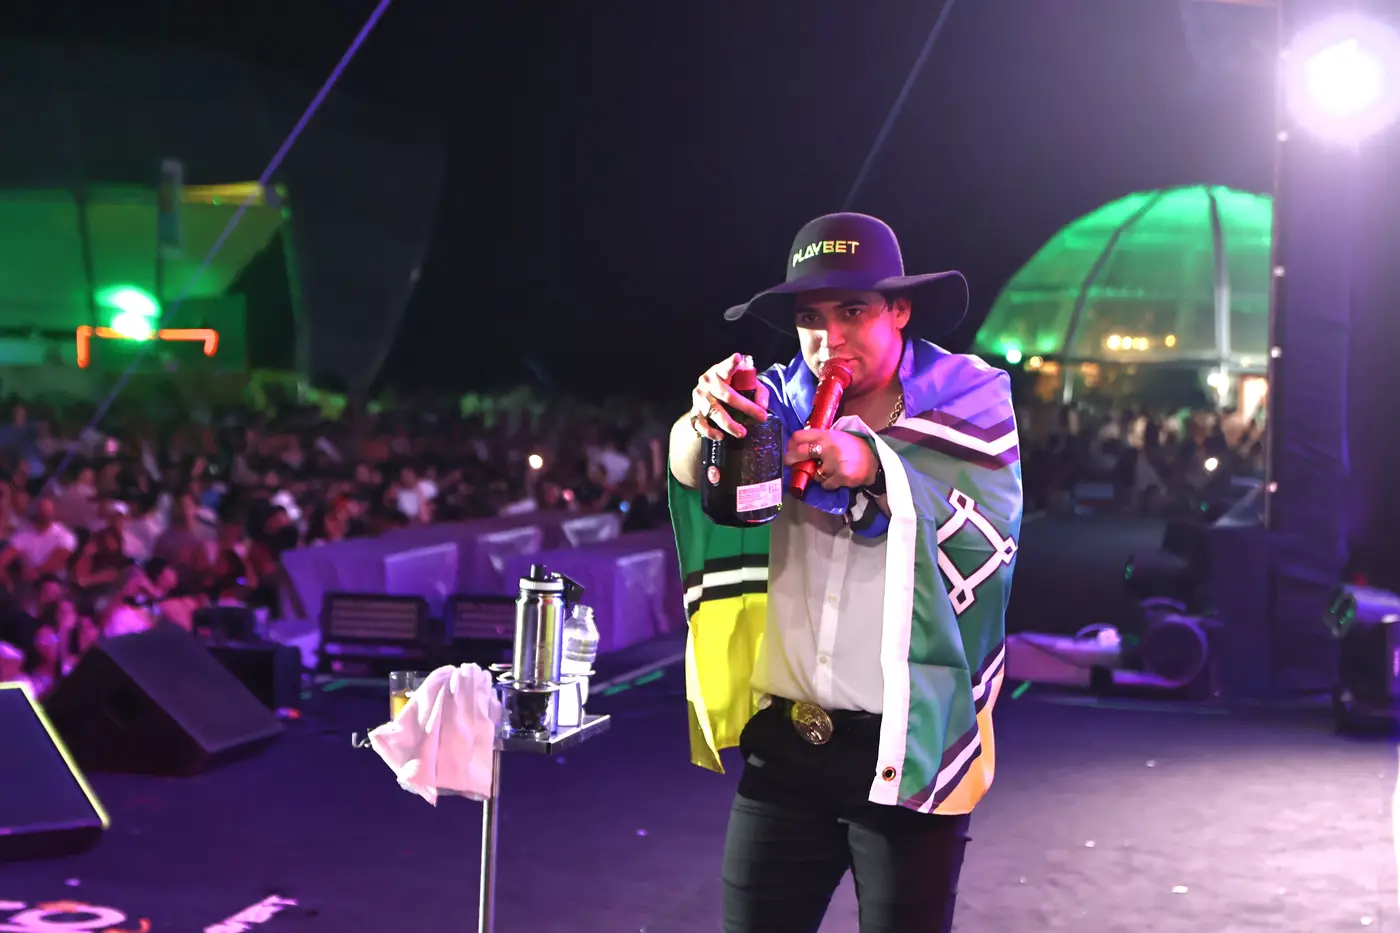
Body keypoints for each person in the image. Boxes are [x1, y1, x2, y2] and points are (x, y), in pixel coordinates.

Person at [667, 213, 1022, 933]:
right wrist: (701, 422)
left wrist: (876, 467)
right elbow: (686, 466)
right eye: (810, 317)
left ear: (899, 310)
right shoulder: (770, 401)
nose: (830, 337)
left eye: (853, 311)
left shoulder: (970, 399)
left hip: (909, 750)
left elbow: (991, 536)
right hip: (784, 750)